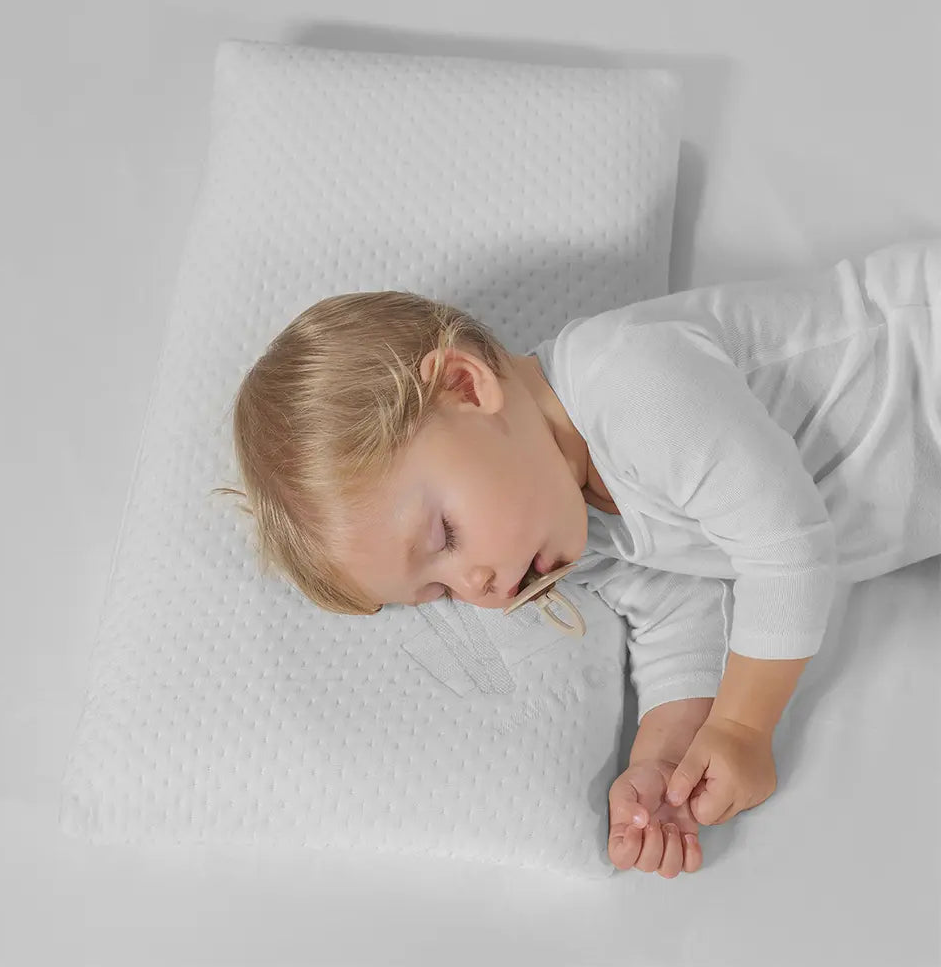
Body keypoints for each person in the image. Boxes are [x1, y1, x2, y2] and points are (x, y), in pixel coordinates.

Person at [214, 239, 940, 878]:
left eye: (446, 537)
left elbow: (785, 545)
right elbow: (680, 604)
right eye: (439, 591)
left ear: (467, 386)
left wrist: (744, 727)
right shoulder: (571, 526)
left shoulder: (629, 384)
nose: (477, 585)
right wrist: (665, 758)